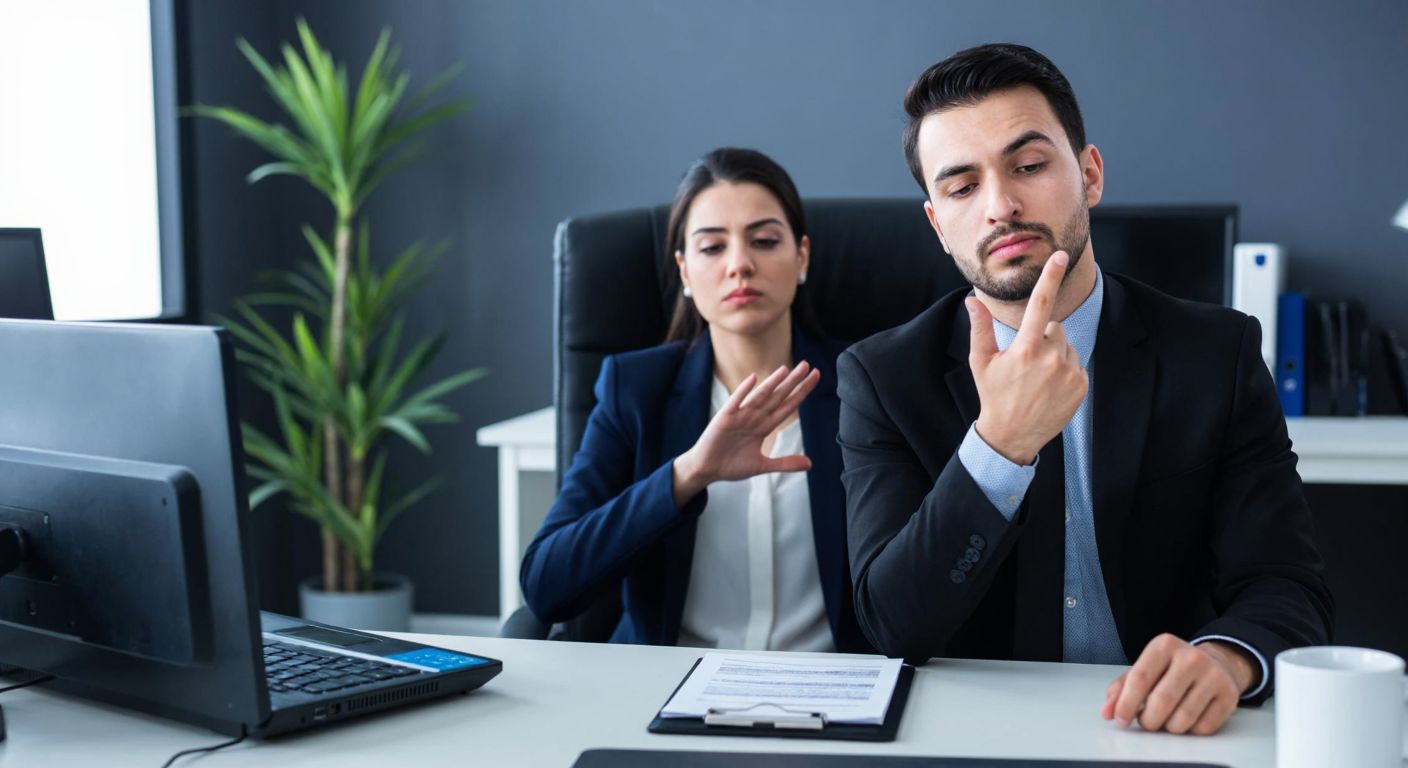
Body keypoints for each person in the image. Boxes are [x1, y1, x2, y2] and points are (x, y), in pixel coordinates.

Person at [838, 44, 1332, 735]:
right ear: (937, 224)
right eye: (962, 188)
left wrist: (1225, 660)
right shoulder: (882, 377)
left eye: (1030, 166)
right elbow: (894, 625)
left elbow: (1286, 583)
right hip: (976, 739)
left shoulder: (1215, 353)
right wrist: (1000, 446)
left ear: (1090, 174)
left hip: (1167, 734)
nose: (1001, 206)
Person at [521, 147, 871, 653]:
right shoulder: (635, 391)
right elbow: (545, 586)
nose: (740, 265)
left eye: (765, 241)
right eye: (712, 248)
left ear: (802, 257)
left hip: (832, 689)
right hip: (668, 688)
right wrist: (686, 476)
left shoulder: (865, 384)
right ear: (684, 272)